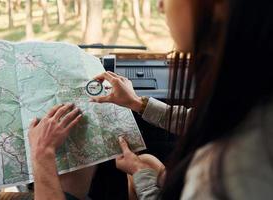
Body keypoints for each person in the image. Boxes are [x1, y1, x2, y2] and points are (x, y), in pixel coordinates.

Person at [28, 0, 273, 199]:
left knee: (70, 181)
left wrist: (42, 155)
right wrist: (138, 103)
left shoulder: (223, 175)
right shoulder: (253, 90)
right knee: (147, 160)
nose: (160, 7)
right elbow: (202, 121)